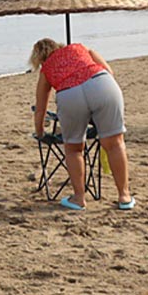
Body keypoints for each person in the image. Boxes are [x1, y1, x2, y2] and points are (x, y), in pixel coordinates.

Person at [29, 38, 134, 211]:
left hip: (70, 95)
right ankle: (124, 196)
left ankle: (79, 198)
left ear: (39, 59)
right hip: (102, 84)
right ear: (58, 46)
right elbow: (109, 71)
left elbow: (41, 109)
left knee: (74, 149)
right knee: (115, 143)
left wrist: (40, 133)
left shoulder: (46, 70)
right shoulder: (80, 48)